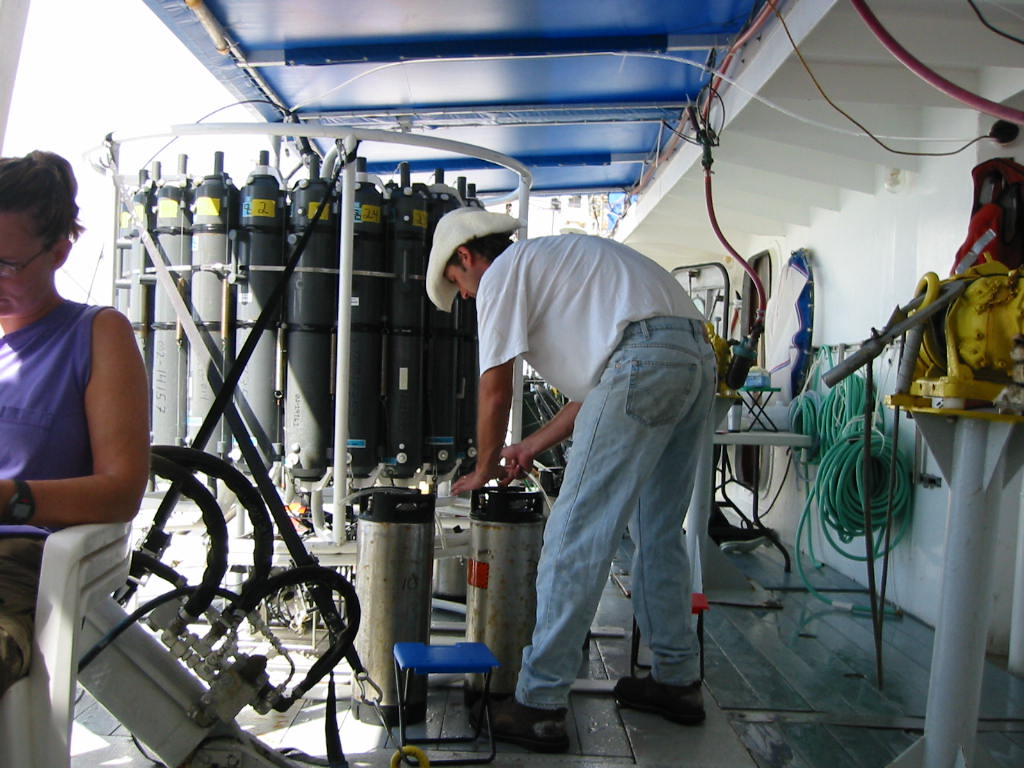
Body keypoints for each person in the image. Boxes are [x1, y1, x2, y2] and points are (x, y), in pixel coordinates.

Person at [425, 207, 717, 752]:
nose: (464, 295)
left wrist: (483, 467)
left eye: (456, 281)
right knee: (657, 530)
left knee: (574, 533)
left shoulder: (503, 273)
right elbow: (610, 382)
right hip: (695, 359)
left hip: (646, 361)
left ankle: (539, 703)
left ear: (466, 256)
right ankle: (676, 681)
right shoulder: (560, 268)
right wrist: (529, 446)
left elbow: (495, 388)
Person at [0, 150, 150, 695]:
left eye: (5, 265)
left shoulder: (96, 334)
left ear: (59, 252)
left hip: (17, 569)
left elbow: (122, 491)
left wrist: (10, 498)